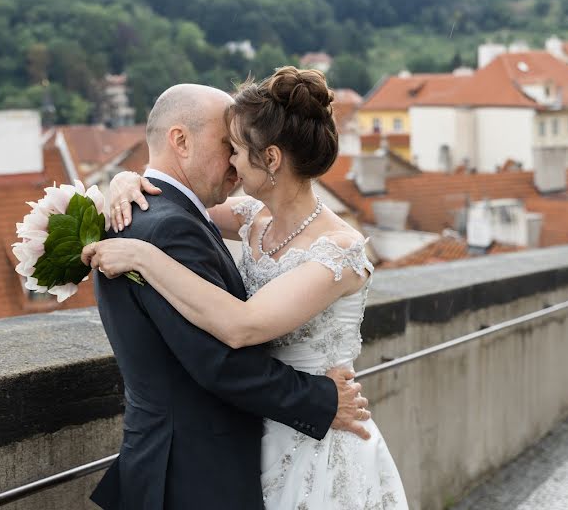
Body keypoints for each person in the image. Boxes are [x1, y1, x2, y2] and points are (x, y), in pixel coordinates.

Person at [84, 67, 408, 509]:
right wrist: (124, 180)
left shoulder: (339, 250)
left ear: (271, 159)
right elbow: (169, 209)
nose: (234, 164)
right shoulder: (251, 217)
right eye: (228, 148)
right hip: (261, 432)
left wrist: (142, 258)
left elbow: (242, 326)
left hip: (319, 433)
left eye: (237, 150)